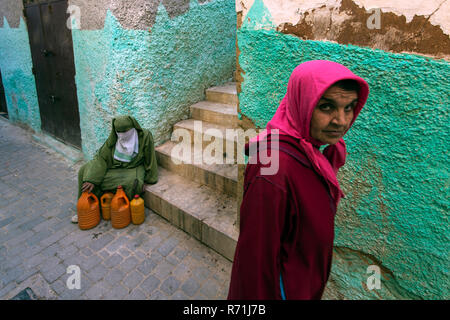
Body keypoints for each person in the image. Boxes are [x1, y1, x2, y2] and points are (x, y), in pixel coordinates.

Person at [227, 60, 370, 300]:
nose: (342, 121)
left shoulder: (311, 151)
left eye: (349, 108)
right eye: (326, 107)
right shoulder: (272, 170)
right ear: (302, 103)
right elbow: (255, 263)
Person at [73, 115, 158, 222]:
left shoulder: (144, 136)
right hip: (114, 167)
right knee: (84, 170)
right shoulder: (114, 138)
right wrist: (92, 178)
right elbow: (101, 157)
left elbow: (150, 158)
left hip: (133, 168)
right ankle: (85, 209)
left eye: (125, 132)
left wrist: (149, 179)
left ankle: (114, 206)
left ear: (133, 128)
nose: (122, 135)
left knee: (133, 182)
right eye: (119, 132)